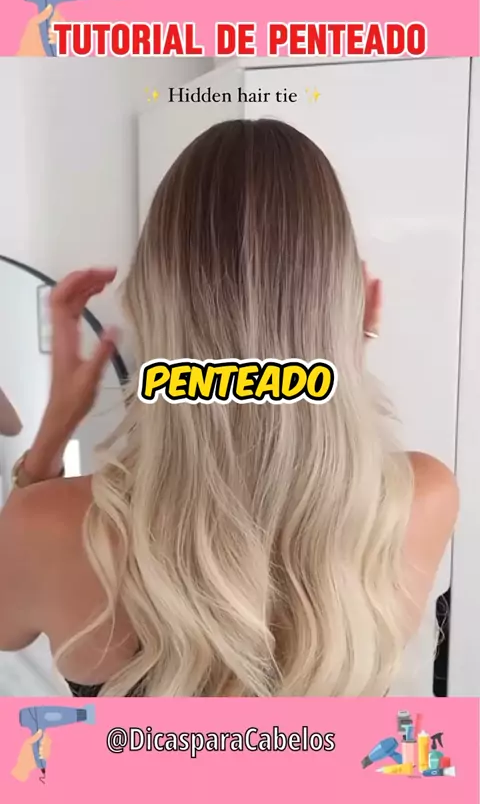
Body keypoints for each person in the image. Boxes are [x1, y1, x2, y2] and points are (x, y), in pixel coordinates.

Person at [0, 119, 458, 697]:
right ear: (362, 304)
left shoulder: (52, 527)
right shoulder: (422, 499)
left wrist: (50, 438)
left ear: (146, 309)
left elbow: (6, 630)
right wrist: (340, 357)